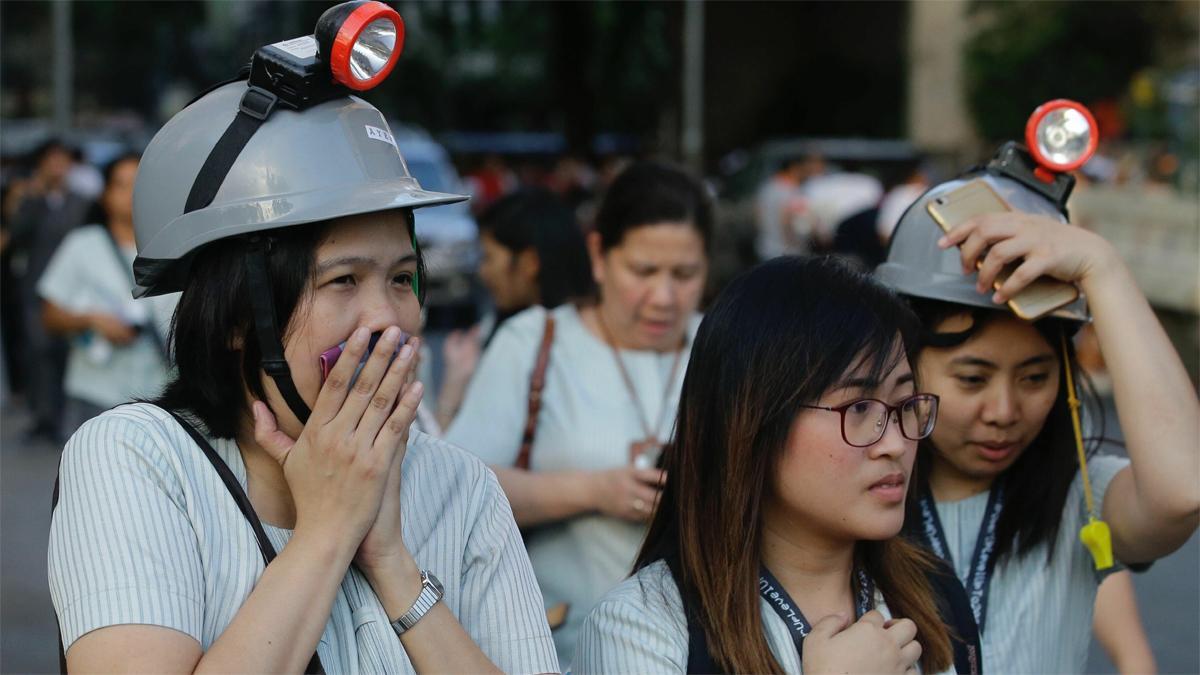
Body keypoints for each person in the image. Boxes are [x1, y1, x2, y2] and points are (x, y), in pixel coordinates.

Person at [47, 63, 557, 673]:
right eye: (343, 280)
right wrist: (329, 529)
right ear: (238, 317)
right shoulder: (139, 459)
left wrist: (394, 566)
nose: (387, 319)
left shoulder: (462, 488)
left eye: (401, 278)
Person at [876, 168, 1199, 673]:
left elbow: (1184, 491)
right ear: (904, 367)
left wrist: (1103, 268)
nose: (1004, 413)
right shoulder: (849, 497)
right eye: (973, 379)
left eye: (1034, 378)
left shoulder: (1081, 496)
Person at [575, 256, 958, 675]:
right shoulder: (640, 628)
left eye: (904, 405)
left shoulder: (934, 593)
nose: (895, 442)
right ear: (753, 422)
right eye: (859, 406)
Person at [446, 160, 711, 666]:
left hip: (699, 652)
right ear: (599, 256)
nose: (663, 297)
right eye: (643, 271)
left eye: (684, 274)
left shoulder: (726, 346)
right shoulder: (536, 341)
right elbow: (456, 486)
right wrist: (590, 492)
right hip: (557, 647)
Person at [38, 152, 178, 438]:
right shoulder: (83, 245)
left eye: (138, 185)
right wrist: (91, 320)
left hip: (165, 396)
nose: (130, 194)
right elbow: (49, 316)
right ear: (105, 194)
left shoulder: (176, 247)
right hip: (97, 393)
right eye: (121, 185)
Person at [435, 187, 593, 430]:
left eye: (489, 257)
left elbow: (466, 451)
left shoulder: (518, 338)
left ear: (530, 263)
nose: (482, 271)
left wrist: (452, 390)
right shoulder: (596, 331)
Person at [8, 139, 91, 441]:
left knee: (68, 353)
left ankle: (66, 417)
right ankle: (44, 417)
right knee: (38, 351)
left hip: (76, 288)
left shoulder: (82, 201)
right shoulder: (32, 199)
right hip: (37, 287)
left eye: (62, 160)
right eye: (51, 160)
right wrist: (35, 195)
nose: (57, 166)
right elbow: (17, 234)